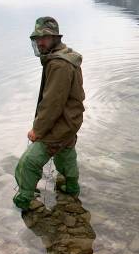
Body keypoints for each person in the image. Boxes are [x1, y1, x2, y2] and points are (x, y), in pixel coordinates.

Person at [13, 17, 85, 210]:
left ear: (55, 37)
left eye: (44, 38)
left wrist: (37, 130)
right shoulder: (66, 56)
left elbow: (52, 104)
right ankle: (71, 188)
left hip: (60, 124)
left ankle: (24, 200)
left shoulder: (59, 64)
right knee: (66, 153)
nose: (40, 42)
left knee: (28, 163)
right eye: (37, 39)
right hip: (71, 121)